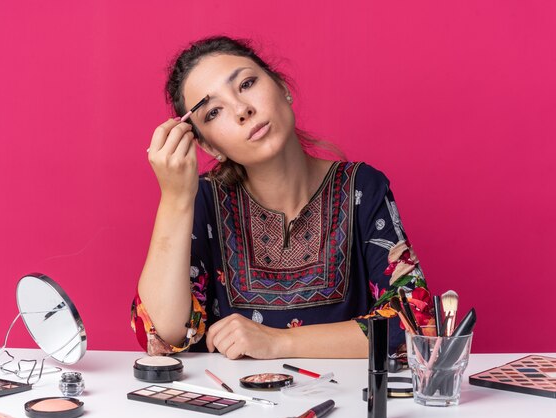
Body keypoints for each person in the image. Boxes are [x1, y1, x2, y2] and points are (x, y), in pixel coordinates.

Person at [131, 36, 426, 360]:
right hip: (233, 406)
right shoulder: (202, 200)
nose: (242, 109)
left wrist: (278, 342)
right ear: (210, 147)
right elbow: (159, 336)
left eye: (246, 83)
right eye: (214, 111)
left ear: (282, 86)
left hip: (345, 405)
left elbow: (413, 323)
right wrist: (175, 199)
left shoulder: (362, 187)